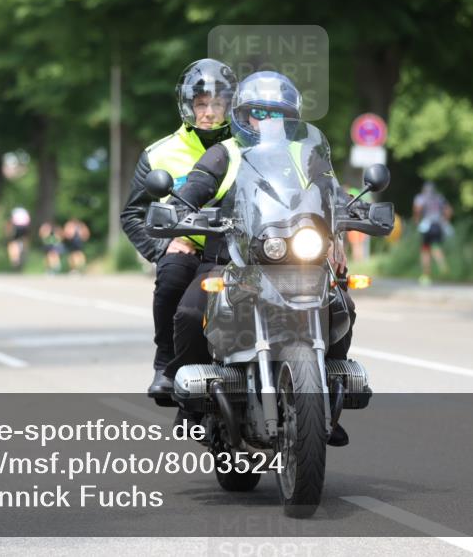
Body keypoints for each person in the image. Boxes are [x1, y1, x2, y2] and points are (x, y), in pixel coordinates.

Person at [165, 71, 354, 446]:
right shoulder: (226, 153)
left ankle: (329, 397)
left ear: (291, 118)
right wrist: (176, 208)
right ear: (244, 116)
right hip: (232, 260)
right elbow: (195, 186)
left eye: (277, 113)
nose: (268, 121)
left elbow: (333, 192)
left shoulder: (307, 154)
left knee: (341, 303)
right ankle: (190, 406)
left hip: (297, 260)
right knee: (189, 312)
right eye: (259, 113)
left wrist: (348, 222)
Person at [120, 58, 238, 398]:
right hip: (189, 247)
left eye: (217, 103)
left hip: (245, 247)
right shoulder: (160, 154)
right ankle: (166, 362)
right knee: (172, 275)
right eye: (201, 104)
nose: (209, 112)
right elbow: (133, 213)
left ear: (231, 105)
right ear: (188, 106)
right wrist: (163, 247)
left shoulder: (250, 148)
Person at [413, 181, 452, 285]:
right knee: (436, 246)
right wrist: (445, 221)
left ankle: (426, 275)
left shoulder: (421, 198)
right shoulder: (439, 198)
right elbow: (448, 210)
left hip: (427, 226)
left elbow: (418, 209)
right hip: (438, 226)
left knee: (425, 250)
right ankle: (442, 264)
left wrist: (417, 222)